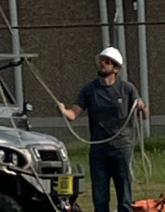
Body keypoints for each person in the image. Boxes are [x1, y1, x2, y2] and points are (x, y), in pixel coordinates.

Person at [57, 47, 147, 212]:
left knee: (125, 198)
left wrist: (142, 107)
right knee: (100, 199)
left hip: (122, 149)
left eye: (107, 61)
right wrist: (63, 111)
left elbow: (145, 115)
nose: (102, 63)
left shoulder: (127, 89)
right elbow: (73, 114)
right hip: (99, 150)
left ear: (116, 68)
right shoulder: (89, 90)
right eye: (102, 60)